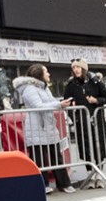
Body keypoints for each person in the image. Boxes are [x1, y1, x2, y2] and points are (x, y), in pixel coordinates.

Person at [12, 64, 73, 193]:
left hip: (49, 127)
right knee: (38, 158)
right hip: (36, 128)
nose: (49, 74)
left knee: (56, 156)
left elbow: (50, 102)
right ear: (39, 74)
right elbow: (38, 106)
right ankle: (42, 185)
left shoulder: (44, 88)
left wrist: (61, 104)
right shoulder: (29, 89)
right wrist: (58, 104)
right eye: (46, 72)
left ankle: (64, 183)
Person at [62, 59, 106, 182]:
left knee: (99, 146)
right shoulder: (71, 84)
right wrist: (75, 118)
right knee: (85, 148)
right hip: (81, 122)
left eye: (78, 67)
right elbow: (66, 103)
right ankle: (90, 174)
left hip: (97, 119)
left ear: (84, 68)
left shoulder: (95, 82)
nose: (76, 70)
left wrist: (96, 101)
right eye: (74, 68)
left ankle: (99, 174)